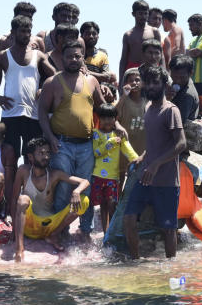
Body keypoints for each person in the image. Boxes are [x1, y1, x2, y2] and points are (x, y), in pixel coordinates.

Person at [37, 40, 117, 238]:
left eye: (77, 56)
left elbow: (103, 108)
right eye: (69, 56)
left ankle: (85, 230)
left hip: (87, 144)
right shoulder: (52, 82)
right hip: (61, 144)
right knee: (63, 189)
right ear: (62, 59)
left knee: (85, 188)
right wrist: (50, 138)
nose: (73, 59)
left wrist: (117, 120)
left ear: (83, 59)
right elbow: (41, 113)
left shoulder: (91, 81)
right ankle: (60, 230)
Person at [125, 66, 186, 259]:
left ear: (164, 84)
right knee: (129, 219)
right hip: (146, 178)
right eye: (148, 82)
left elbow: (181, 143)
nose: (151, 86)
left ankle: (171, 267)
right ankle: (135, 262)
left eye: (155, 82)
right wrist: (142, 157)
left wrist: (156, 164)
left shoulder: (171, 110)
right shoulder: (148, 109)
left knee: (168, 229)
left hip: (167, 181)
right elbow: (154, 143)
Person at [0, 15, 56, 161]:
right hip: (10, 114)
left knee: (32, 156)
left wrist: (44, 89)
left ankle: (28, 184)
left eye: (29, 31)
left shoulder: (38, 55)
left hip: (33, 114)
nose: (26, 35)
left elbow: (54, 76)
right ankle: (11, 184)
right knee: (10, 156)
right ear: (13, 33)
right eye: (22, 31)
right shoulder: (3, 56)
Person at [10, 137, 90, 262]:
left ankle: (54, 235)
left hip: (50, 225)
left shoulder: (54, 174)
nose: (46, 156)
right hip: (29, 226)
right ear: (30, 157)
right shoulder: (23, 171)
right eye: (41, 153)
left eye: (47, 153)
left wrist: (76, 191)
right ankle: (19, 249)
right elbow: (14, 199)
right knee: (22, 199)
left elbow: (84, 181)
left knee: (84, 201)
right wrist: (14, 230)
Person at [91, 103, 138, 232]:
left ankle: (111, 232)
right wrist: (110, 143)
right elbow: (96, 152)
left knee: (112, 204)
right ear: (99, 119)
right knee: (103, 205)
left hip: (112, 177)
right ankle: (106, 233)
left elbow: (129, 151)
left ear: (115, 119)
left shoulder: (118, 135)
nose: (107, 121)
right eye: (104, 118)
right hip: (97, 176)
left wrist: (137, 160)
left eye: (110, 118)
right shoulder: (95, 134)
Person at [115, 67, 146, 176]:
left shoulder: (147, 102)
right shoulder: (124, 100)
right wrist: (124, 95)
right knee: (120, 175)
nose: (134, 83)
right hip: (124, 147)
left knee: (135, 178)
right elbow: (114, 117)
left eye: (137, 80)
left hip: (140, 147)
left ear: (143, 83)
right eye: (131, 80)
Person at [119, 0, 162, 77]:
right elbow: (123, 59)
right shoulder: (128, 35)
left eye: (146, 13)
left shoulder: (154, 32)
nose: (143, 16)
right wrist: (121, 79)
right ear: (133, 14)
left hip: (152, 69)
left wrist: (163, 72)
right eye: (140, 13)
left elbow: (161, 55)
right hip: (133, 70)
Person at [167, 54, 199, 124]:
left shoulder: (188, 96)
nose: (177, 81)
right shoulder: (172, 84)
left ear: (191, 74)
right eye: (175, 76)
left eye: (182, 77)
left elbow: (176, 124)